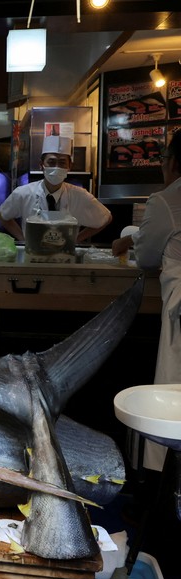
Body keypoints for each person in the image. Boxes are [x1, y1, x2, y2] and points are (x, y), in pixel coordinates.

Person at [112, 132, 181, 472]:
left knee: (173, 398)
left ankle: (164, 486)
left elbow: (148, 258)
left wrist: (132, 241)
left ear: (172, 163)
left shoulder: (167, 199)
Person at [0, 135, 112, 242]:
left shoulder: (80, 196)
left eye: (62, 162)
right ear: (41, 165)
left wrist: (76, 240)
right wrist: (23, 240)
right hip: (32, 257)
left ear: (69, 166)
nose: (56, 167)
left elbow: (106, 218)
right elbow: (2, 215)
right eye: (51, 162)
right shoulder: (23, 193)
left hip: (66, 258)